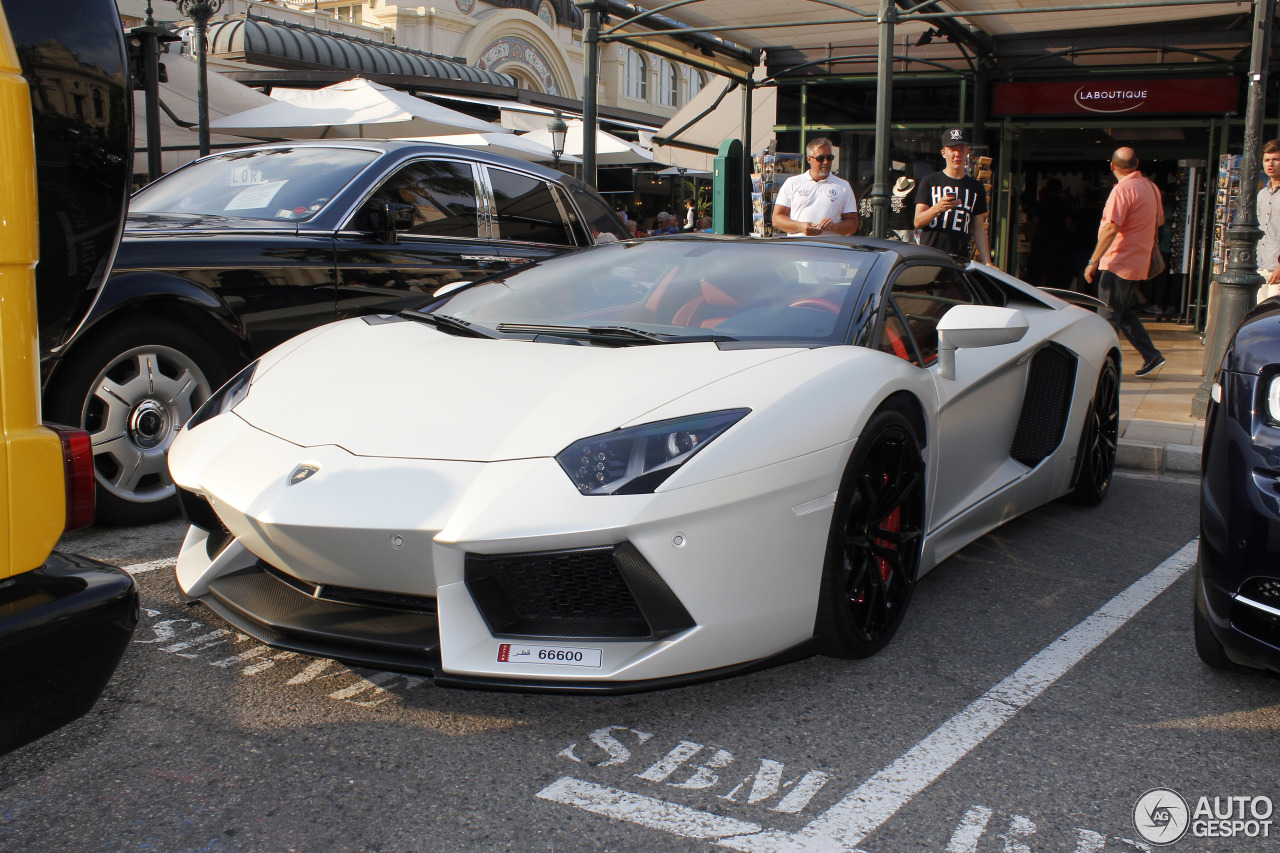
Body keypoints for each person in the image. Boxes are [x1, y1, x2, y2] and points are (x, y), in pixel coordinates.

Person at [1084, 147, 1165, 377]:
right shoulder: (1150, 186)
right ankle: (1151, 355)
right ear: (1137, 163)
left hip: (1118, 261)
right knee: (1122, 311)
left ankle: (1103, 367)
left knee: (1107, 317)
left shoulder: (1122, 190)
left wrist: (1093, 260)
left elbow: (1111, 228)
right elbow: (1159, 220)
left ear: (1112, 165)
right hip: (1138, 260)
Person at [914, 128, 992, 265]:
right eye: (952, 149)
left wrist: (987, 262)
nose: (957, 154)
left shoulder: (976, 187)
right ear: (943, 152)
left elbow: (978, 228)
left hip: (958, 262)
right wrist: (937, 208)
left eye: (961, 149)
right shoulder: (930, 181)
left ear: (968, 151)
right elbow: (917, 222)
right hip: (929, 258)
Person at [771, 138, 859, 237]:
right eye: (821, 158)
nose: (826, 162)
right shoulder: (792, 183)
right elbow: (777, 219)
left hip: (831, 249)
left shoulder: (843, 186)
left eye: (829, 157)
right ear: (809, 159)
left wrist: (834, 227)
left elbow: (853, 224)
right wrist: (801, 227)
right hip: (799, 248)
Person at [1026, 177, 1074, 288]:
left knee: (1037, 269)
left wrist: (1031, 238)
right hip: (1058, 241)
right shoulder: (1065, 204)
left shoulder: (1040, 203)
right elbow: (1068, 222)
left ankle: (1035, 292)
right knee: (1054, 271)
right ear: (1060, 189)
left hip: (1041, 240)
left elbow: (1034, 222)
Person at [1257, 139, 1280, 303]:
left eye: (1275, 159)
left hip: (1277, 268)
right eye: (1266, 160)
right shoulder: (1262, 194)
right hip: (1260, 267)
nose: (1270, 164)